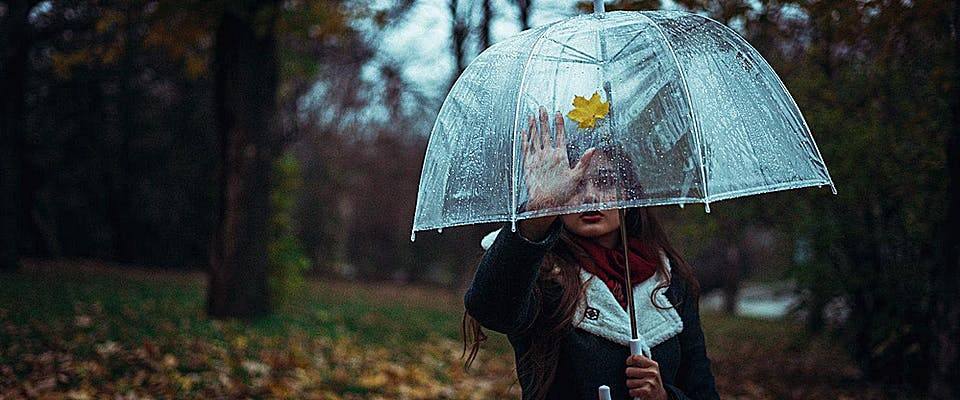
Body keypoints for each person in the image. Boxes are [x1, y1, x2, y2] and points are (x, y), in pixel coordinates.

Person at [461, 107, 720, 400]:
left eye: (606, 182)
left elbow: (701, 388)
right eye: (575, 186)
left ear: (629, 193)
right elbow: (490, 310)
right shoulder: (540, 271)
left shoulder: (669, 277)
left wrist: (664, 396)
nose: (591, 196)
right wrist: (538, 212)